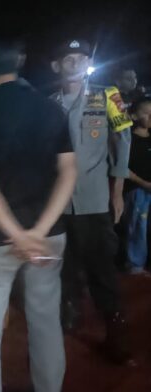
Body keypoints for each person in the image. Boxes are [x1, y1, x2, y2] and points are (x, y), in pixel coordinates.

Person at [0, 41, 77, 392]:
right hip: (48, 236)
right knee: (46, 323)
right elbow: (69, 171)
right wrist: (37, 232)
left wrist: (17, 234)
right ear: (19, 63)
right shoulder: (51, 109)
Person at [49, 39, 135, 365]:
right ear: (56, 66)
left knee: (101, 268)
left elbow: (122, 139)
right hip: (58, 202)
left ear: (88, 63)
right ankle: (67, 320)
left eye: (81, 58)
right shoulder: (49, 104)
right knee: (64, 266)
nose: (75, 64)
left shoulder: (106, 95)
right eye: (67, 58)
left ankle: (115, 335)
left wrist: (117, 190)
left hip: (95, 199)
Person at [124, 98, 151, 275]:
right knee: (137, 226)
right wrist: (144, 183)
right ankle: (135, 264)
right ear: (134, 116)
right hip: (137, 191)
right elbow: (122, 168)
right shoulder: (128, 139)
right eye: (146, 113)